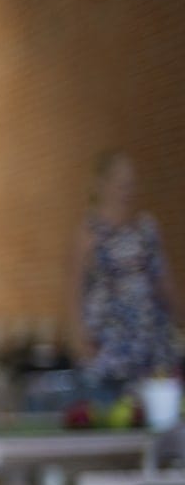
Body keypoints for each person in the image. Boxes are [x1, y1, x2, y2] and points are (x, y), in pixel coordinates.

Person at [67, 148, 180, 389]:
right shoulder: (88, 234)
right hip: (107, 347)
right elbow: (73, 291)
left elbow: (164, 283)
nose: (126, 190)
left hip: (150, 341)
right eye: (120, 183)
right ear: (101, 184)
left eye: (130, 183)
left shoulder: (146, 229)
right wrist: (78, 338)